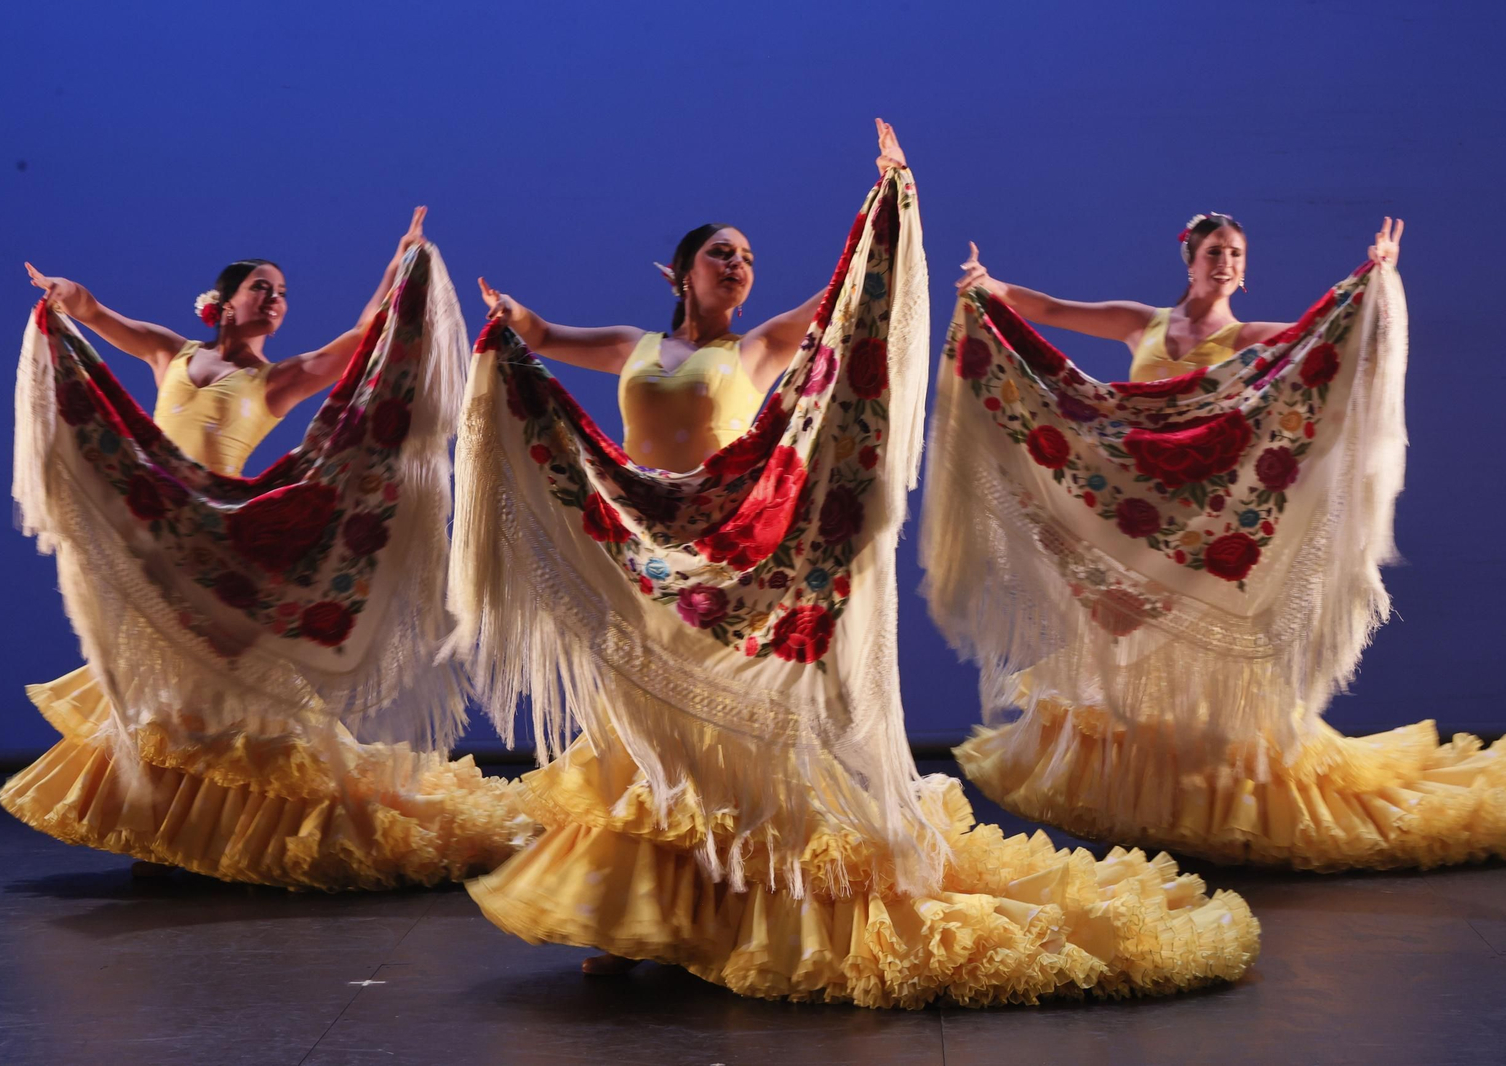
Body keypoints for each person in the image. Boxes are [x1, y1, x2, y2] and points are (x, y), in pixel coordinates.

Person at [453, 126, 1259, 1008]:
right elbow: (536, 334)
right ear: (682, 272)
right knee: (638, 729)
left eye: (748, 256)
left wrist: (888, 201)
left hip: (728, 554)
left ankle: (726, 904)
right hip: (642, 549)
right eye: (721, 253)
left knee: (724, 742)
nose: (739, 264)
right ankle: (629, 914)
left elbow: (846, 299)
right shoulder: (631, 346)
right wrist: (506, 316)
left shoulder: (756, 348)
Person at [943, 214, 1506, 870]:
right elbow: (1049, 309)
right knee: (1127, 676)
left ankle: (1228, 815)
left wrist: (1375, 279)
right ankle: (1157, 816)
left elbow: (1335, 344)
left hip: (1207, 534)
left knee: (1209, 688)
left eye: (1236, 254)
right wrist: (989, 286)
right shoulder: (1144, 323)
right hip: (1140, 525)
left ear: (1244, 271)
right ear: (1188, 258)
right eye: (1215, 251)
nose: (1225, 262)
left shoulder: (1252, 340)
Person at [3, 209, 527, 889]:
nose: (275, 301)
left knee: (220, 694)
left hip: (220, 543)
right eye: (262, 288)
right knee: (165, 689)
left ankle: (230, 834)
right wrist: (66, 297)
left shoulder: (275, 381)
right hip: (162, 534)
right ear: (220, 302)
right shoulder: (174, 352)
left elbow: (363, 336)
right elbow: (100, 316)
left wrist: (401, 266)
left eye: (282, 295)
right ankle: (171, 830)